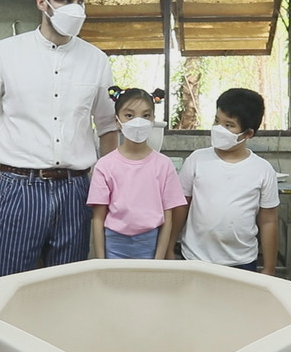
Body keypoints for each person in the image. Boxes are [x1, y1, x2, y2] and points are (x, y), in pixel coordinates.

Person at [0, 0, 119, 283]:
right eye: (65, 0)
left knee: (67, 287)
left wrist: (107, 186)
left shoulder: (97, 61)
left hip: (75, 190)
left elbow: (108, 126)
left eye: (81, 1)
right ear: (41, 2)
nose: (76, 9)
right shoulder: (4, 54)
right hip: (20, 187)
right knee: (8, 286)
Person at [172, 88, 280, 273]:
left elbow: (268, 220)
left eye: (229, 125)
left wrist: (269, 268)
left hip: (241, 261)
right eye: (217, 121)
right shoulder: (197, 160)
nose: (219, 129)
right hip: (195, 258)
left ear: (248, 134)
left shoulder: (262, 170)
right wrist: (169, 246)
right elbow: (181, 207)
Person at [87, 87, 186, 259]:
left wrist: (158, 260)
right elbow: (98, 218)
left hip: (150, 244)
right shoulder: (105, 165)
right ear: (117, 121)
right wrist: (101, 262)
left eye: (145, 115)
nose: (138, 122)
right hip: (114, 245)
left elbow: (168, 216)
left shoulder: (164, 165)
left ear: (153, 119)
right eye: (129, 115)